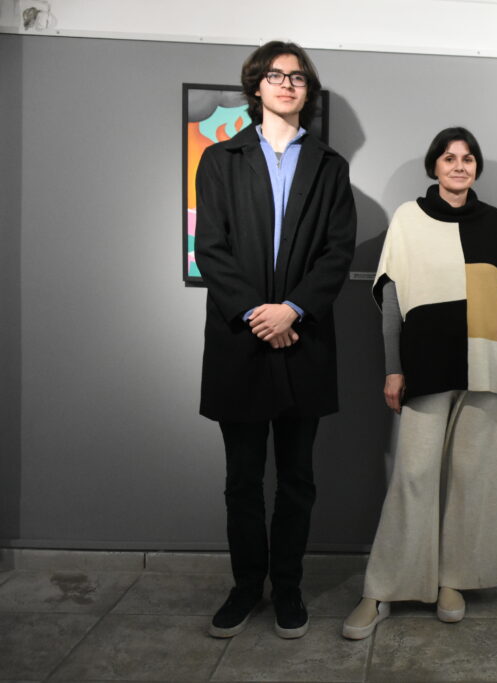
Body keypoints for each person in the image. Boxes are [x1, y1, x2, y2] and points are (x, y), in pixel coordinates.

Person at [195, 41, 356, 640]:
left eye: (297, 77)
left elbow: (337, 252)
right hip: (239, 342)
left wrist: (291, 310)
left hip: (303, 339)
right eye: (275, 75)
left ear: (307, 91)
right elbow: (211, 248)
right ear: (256, 86)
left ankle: (287, 588)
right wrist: (257, 314)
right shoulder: (220, 159)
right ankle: (245, 588)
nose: (287, 83)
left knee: (297, 479)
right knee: (241, 481)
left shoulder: (331, 166)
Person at [342, 127, 497, 640]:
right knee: (413, 474)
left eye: (468, 158)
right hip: (426, 363)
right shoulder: (408, 218)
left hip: (485, 361)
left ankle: (453, 580)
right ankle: (383, 588)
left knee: (473, 477)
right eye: (449, 158)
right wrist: (394, 367)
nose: (459, 166)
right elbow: (391, 297)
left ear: (476, 167)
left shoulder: (495, 222)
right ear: (434, 166)